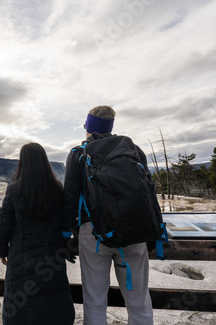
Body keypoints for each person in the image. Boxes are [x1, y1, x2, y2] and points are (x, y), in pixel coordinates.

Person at [63, 105, 153, 325]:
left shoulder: (78, 154)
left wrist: (65, 234)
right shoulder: (134, 150)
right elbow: (148, 191)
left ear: (89, 127)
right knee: (139, 301)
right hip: (134, 233)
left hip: (93, 236)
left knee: (94, 301)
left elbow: (69, 199)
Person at [0, 142, 75, 325]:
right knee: (53, 302)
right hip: (52, 258)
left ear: (22, 163)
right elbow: (66, 220)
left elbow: (4, 224)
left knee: (21, 307)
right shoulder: (57, 189)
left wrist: (1, 250)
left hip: (21, 258)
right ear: (45, 162)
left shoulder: (14, 190)